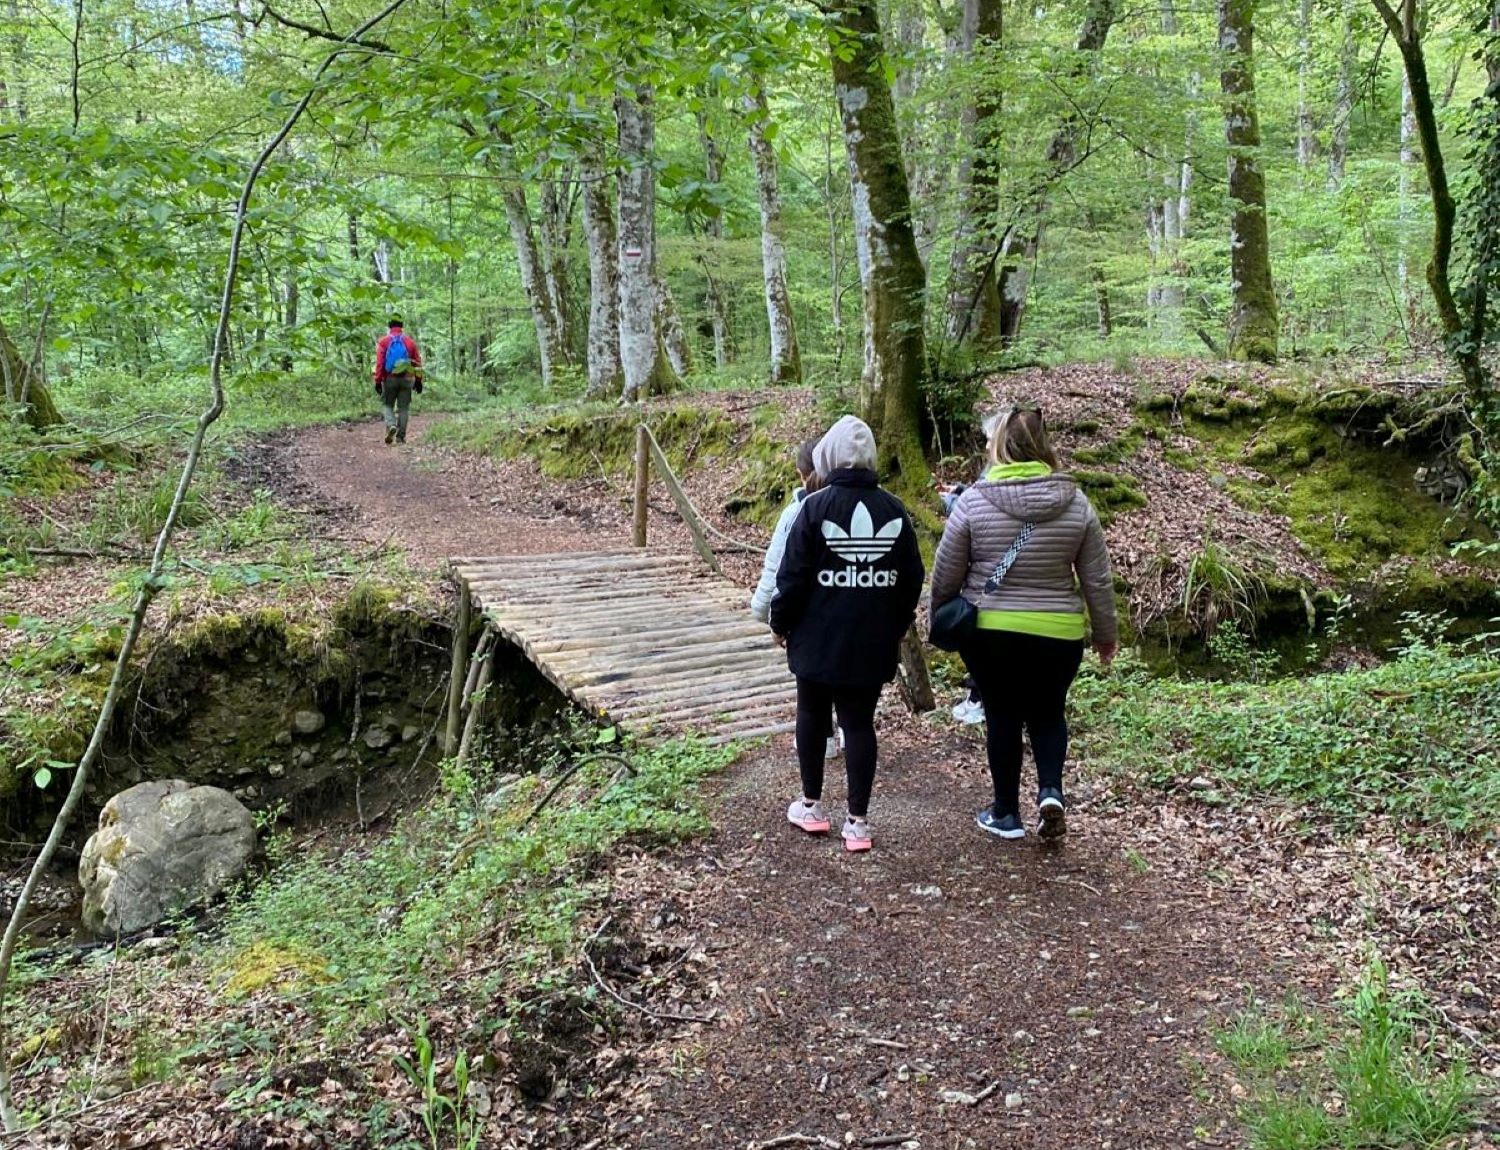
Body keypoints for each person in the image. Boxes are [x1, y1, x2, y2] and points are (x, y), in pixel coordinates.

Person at [929, 404, 1118, 841]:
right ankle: (1051, 791)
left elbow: (946, 572)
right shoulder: (1076, 502)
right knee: (1049, 712)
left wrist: (939, 617)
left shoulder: (974, 501)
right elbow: (1097, 580)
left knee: (1002, 716)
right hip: (1059, 634)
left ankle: (1005, 814)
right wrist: (1106, 636)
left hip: (992, 633)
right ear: (1043, 446)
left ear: (998, 447)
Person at [770, 415, 924, 852]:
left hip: (815, 641)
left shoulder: (813, 508)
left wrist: (780, 624)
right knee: (859, 724)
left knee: (811, 714)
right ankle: (858, 823)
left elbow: (792, 577)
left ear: (831, 456)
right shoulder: (894, 510)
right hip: (870, 644)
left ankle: (812, 806)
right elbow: (912, 578)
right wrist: (894, 625)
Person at [750, 439, 842, 762]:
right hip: (846, 609)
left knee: (811, 684)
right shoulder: (844, 505)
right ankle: (844, 728)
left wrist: (765, 612)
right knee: (841, 672)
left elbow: (776, 567)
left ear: (799, 473)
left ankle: (825, 738)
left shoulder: (796, 512)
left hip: (804, 616)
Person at [373, 316, 424, 445]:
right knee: (404, 408)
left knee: (387, 405)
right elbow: (417, 362)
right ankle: (401, 438)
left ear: (389, 327)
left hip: (389, 378)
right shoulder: (410, 342)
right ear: (402, 327)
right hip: (407, 379)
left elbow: (379, 363)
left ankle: (391, 425)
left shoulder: (384, 342)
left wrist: (378, 381)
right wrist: (418, 380)